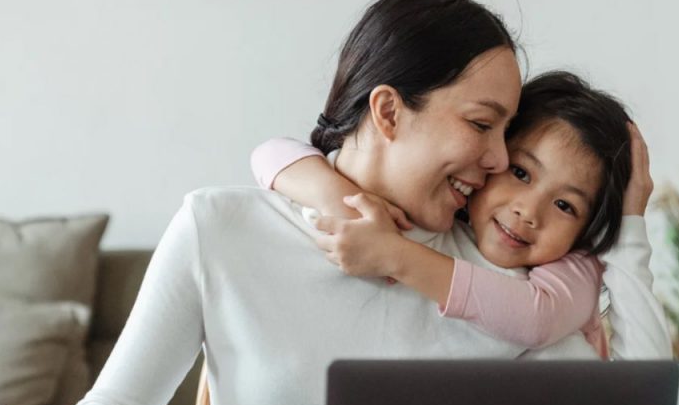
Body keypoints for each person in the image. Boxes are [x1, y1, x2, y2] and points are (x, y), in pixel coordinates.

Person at [3, 0, 671, 405]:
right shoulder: (220, 229)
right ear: (387, 111)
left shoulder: (509, 276)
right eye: (480, 124)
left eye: (506, 132)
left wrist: (632, 228)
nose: (498, 161)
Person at [249, 71, 653, 359]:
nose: (528, 212)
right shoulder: (445, 218)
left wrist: (394, 255)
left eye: (566, 206)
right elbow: (271, 152)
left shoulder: (575, 267)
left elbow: (536, 318)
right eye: (521, 172)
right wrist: (341, 200)